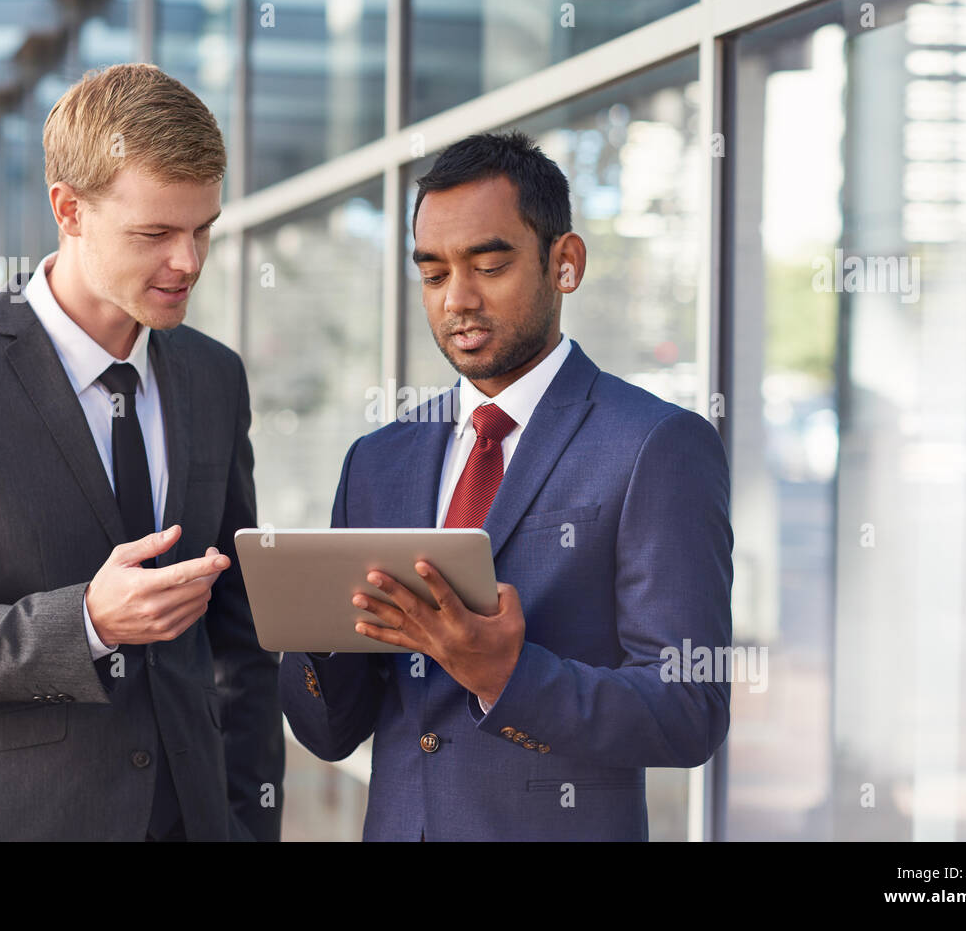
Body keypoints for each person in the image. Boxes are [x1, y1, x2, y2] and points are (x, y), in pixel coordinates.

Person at [0, 63, 283, 841]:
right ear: (70, 210)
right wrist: (89, 620)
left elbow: (241, 639)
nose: (188, 262)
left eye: (202, 229)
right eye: (155, 233)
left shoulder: (214, 376)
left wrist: (249, 824)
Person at [280, 131, 733, 840]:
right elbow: (332, 732)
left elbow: (689, 708)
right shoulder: (378, 460)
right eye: (432, 275)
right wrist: (314, 629)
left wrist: (506, 675)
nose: (458, 299)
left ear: (565, 263)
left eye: (489, 264)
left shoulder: (655, 445)